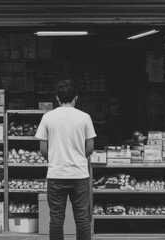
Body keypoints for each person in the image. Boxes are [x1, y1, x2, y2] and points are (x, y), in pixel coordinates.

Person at [35, 79, 96, 240]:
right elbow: (90, 147)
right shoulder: (85, 117)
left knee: (56, 219)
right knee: (82, 218)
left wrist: (55, 159)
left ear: (57, 98)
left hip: (56, 175)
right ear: (76, 98)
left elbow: (43, 149)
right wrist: (79, 158)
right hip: (79, 175)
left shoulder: (48, 117)